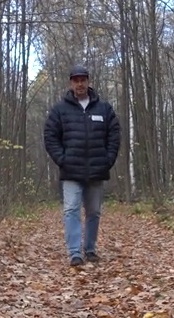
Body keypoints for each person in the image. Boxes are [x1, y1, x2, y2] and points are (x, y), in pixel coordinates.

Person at [43, 64, 121, 267]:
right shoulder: (60, 110)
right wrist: (62, 159)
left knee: (93, 211)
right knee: (71, 210)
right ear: (71, 83)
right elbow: (50, 137)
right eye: (76, 80)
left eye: (83, 79)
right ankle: (75, 253)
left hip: (97, 169)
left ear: (88, 81)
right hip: (71, 171)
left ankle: (90, 249)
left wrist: (108, 159)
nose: (80, 83)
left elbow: (114, 136)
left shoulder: (104, 109)